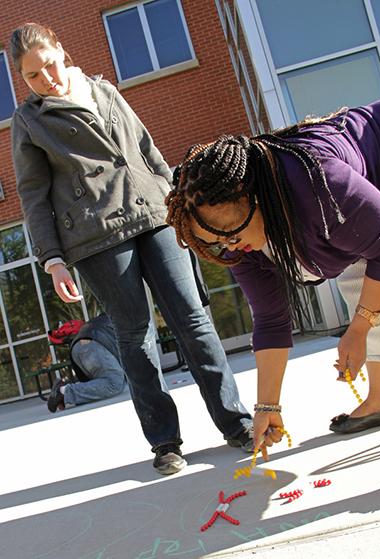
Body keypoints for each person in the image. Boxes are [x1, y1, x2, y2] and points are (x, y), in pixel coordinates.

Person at [10, 23, 253, 476]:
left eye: (49, 66)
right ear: (22, 81)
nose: (47, 80)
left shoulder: (103, 90)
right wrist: (53, 259)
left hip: (155, 213)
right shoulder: (31, 121)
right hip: (96, 235)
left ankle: (237, 422)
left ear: (63, 51)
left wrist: (179, 205)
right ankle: (165, 441)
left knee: (193, 319)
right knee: (134, 336)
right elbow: (33, 196)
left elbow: (147, 149)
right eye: (32, 77)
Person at [165, 97, 380, 451]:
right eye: (216, 242)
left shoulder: (317, 181)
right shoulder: (235, 239)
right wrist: (267, 406)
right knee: (366, 291)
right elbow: (270, 319)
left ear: (252, 197)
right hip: (363, 221)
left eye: (232, 235)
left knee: (370, 301)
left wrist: (359, 328)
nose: (230, 248)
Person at [47, 313, 127, 412]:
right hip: (94, 344)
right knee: (114, 383)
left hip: (80, 346)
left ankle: (64, 395)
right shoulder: (135, 321)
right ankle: (63, 392)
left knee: (103, 383)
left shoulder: (115, 314)